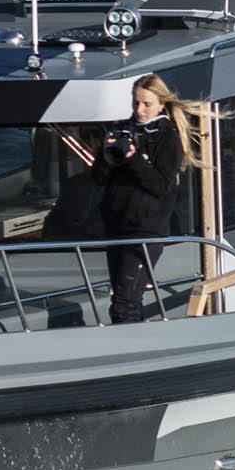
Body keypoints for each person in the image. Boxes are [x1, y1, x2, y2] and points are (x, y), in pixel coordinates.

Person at [91, 75, 204, 323]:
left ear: (161, 104)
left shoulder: (167, 136)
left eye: (146, 104)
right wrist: (107, 155)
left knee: (125, 303)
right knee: (122, 299)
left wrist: (133, 159)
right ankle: (134, 349)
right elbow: (98, 179)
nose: (140, 110)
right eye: (135, 104)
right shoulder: (122, 130)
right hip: (117, 226)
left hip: (146, 229)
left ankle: (128, 354)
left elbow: (160, 186)